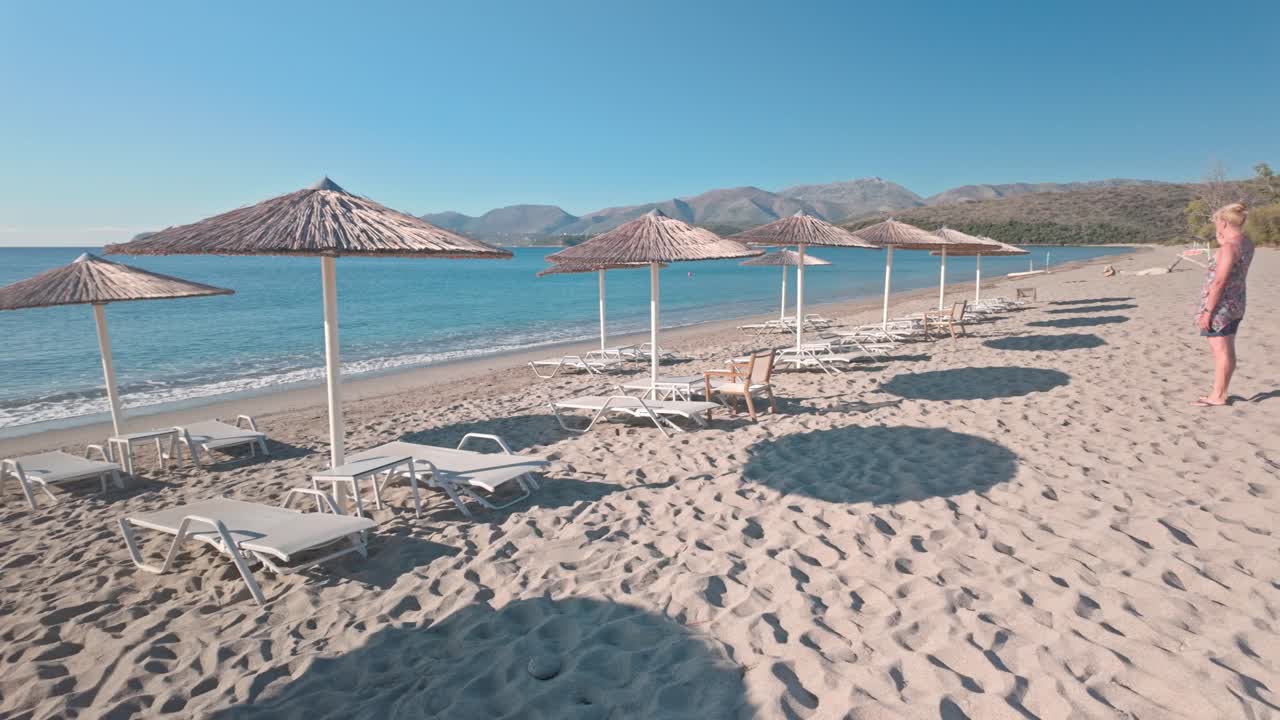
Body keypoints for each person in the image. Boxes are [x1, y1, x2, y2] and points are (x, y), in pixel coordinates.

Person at [1192, 202, 1254, 407]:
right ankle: (1221, 391)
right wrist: (1222, 242)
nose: (1216, 226)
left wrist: (1208, 311)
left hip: (1221, 305)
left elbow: (1219, 281)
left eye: (1217, 222)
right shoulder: (1245, 243)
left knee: (1220, 351)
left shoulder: (1229, 247)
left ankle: (1218, 395)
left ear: (1224, 222)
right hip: (1237, 301)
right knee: (1228, 348)